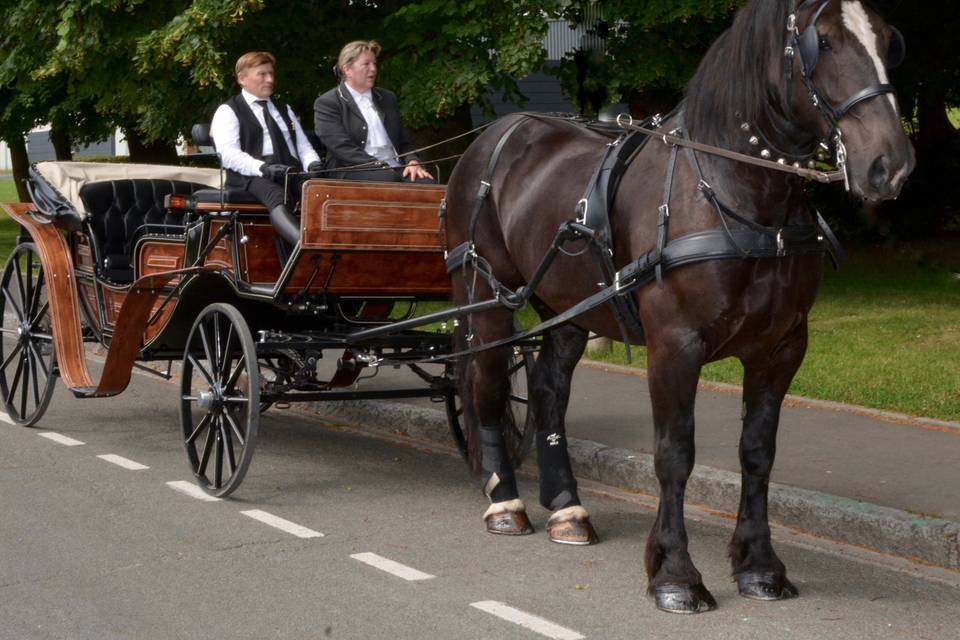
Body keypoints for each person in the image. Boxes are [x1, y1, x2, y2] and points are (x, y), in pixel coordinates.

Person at [210, 51, 322, 246]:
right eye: (262, 74)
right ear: (242, 78)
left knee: (324, 192)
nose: (270, 79)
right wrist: (262, 168)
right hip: (251, 176)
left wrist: (313, 165)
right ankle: (304, 248)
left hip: (289, 171)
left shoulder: (284, 108)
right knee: (277, 195)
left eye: (271, 73)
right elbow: (228, 154)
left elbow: (303, 145)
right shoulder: (228, 110)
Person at [314, 40, 433, 183]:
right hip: (351, 169)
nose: (373, 69)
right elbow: (341, 147)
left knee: (425, 182)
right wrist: (378, 165)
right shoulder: (328, 102)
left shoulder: (388, 98)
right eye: (366, 64)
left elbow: (403, 141)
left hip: (393, 167)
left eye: (374, 63)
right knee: (387, 179)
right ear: (347, 69)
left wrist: (412, 161)